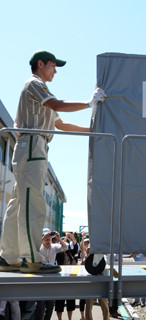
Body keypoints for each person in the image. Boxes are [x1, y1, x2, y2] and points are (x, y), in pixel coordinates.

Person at [0, 50, 106, 274]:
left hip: (32, 146)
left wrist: (94, 131)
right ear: (40, 64)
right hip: (32, 144)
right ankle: (32, 258)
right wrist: (89, 103)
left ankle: (8, 256)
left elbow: (62, 124)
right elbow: (57, 105)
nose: (55, 71)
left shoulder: (40, 91)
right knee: (32, 202)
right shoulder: (34, 84)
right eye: (53, 66)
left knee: (19, 202)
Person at [34, 230, 69, 320]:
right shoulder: (38, 248)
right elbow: (32, 247)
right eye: (45, 237)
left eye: (49, 237)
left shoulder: (54, 247)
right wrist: (42, 238)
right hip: (41, 279)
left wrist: (58, 239)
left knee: (50, 304)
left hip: (52, 280)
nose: (47, 238)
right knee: (40, 304)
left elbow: (65, 247)